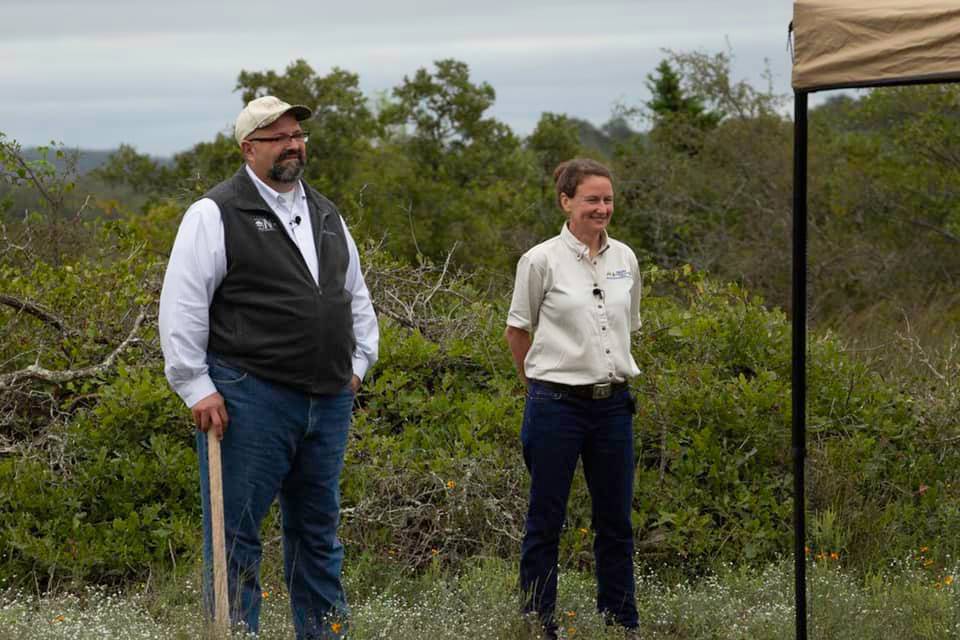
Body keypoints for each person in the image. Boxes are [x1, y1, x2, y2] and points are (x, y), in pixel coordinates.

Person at [159, 95, 378, 639]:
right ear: (247, 148)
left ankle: (325, 634)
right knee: (236, 537)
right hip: (248, 397)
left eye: (297, 135)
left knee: (318, 535)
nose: (292, 145)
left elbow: (354, 296)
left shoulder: (326, 212)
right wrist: (195, 385)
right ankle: (234, 633)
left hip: (327, 400)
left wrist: (358, 364)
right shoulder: (214, 213)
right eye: (276, 137)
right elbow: (183, 303)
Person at [505, 158, 642, 638]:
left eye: (607, 199)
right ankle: (538, 623)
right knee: (546, 519)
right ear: (566, 202)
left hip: (613, 407)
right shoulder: (540, 260)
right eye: (591, 199)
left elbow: (630, 327)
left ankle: (620, 623)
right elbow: (517, 330)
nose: (601, 208)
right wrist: (539, 384)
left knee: (616, 522)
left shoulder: (625, 259)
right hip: (555, 406)